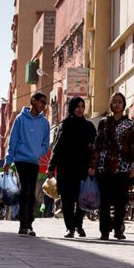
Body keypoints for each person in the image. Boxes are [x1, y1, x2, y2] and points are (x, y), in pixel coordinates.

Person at [90, 92, 134, 240]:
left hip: (122, 167)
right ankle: (104, 231)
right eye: (114, 102)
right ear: (110, 104)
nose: (116, 104)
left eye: (119, 102)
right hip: (104, 166)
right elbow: (97, 145)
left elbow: (132, 146)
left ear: (123, 105)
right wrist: (93, 164)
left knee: (121, 201)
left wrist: (132, 166)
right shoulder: (104, 122)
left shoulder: (129, 123)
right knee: (104, 201)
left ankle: (118, 229)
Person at [48, 95, 96, 238]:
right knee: (67, 200)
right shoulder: (64, 126)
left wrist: (93, 165)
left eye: (82, 106)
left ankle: (78, 224)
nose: (80, 109)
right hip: (66, 169)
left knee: (82, 199)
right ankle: (70, 228)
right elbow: (57, 148)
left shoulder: (89, 127)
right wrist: (51, 167)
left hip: (83, 168)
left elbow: (95, 148)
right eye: (77, 106)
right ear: (72, 108)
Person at [5, 92, 50, 236]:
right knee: (25, 190)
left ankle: (29, 224)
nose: (43, 105)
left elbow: (45, 143)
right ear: (33, 101)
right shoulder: (20, 119)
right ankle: (23, 224)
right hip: (21, 160)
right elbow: (13, 141)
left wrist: (38, 152)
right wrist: (8, 160)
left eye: (45, 103)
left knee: (31, 193)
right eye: (41, 102)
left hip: (34, 161)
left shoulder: (44, 123)